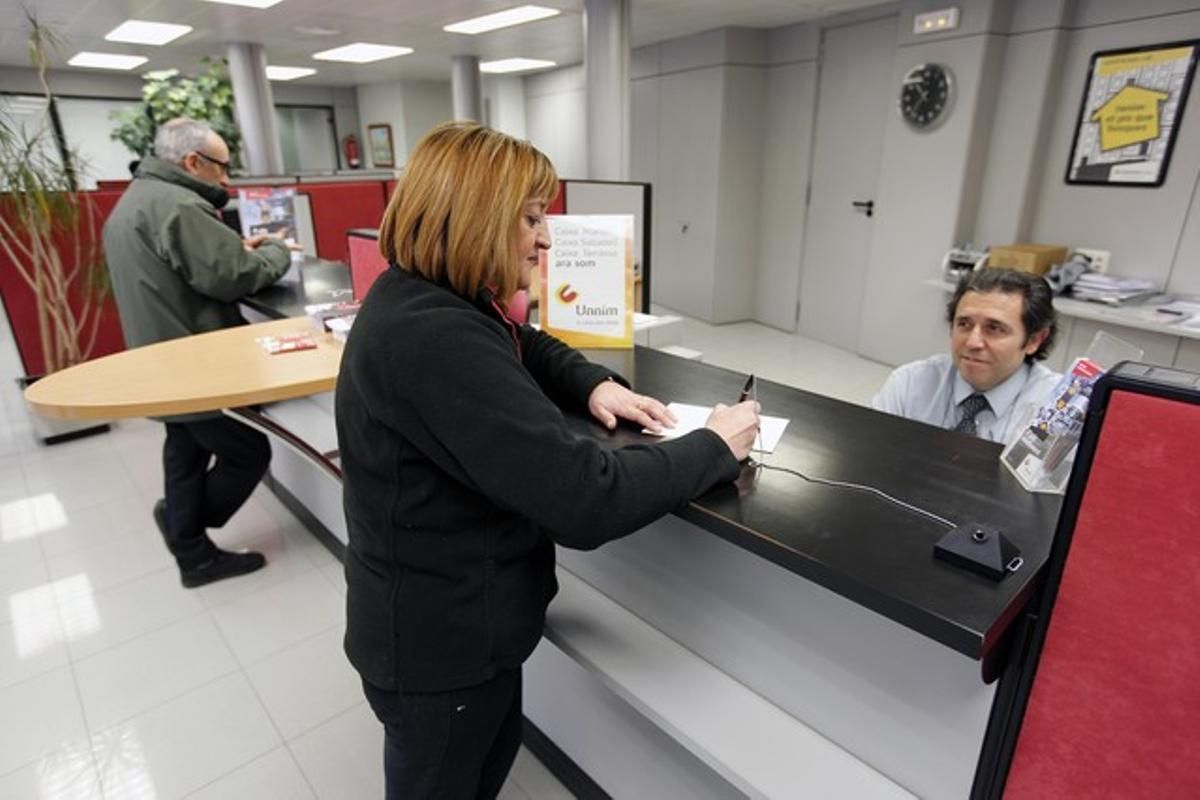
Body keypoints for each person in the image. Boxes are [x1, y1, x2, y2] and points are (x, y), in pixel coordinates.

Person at [335, 121, 760, 798]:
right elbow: (584, 499)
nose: (546, 234)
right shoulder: (432, 335)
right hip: (440, 652)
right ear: (475, 217)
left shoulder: (430, 297)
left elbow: (520, 339)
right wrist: (712, 446)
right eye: (531, 216)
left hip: (447, 631)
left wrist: (591, 384)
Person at [103, 118, 293, 587]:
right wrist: (274, 250)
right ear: (193, 162)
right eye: (222, 168)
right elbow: (234, 277)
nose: (227, 180)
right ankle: (184, 533)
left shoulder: (136, 201)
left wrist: (227, 247)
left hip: (159, 358)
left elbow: (181, 266)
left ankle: (190, 549)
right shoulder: (180, 206)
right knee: (248, 450)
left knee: (184, 451)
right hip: (191, 365)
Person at [872, 267, 1061, 444]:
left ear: (1034, 340)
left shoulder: (1056, 411)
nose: (972, 342)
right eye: (964, 324)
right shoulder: (909, 385)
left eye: (994, 328)